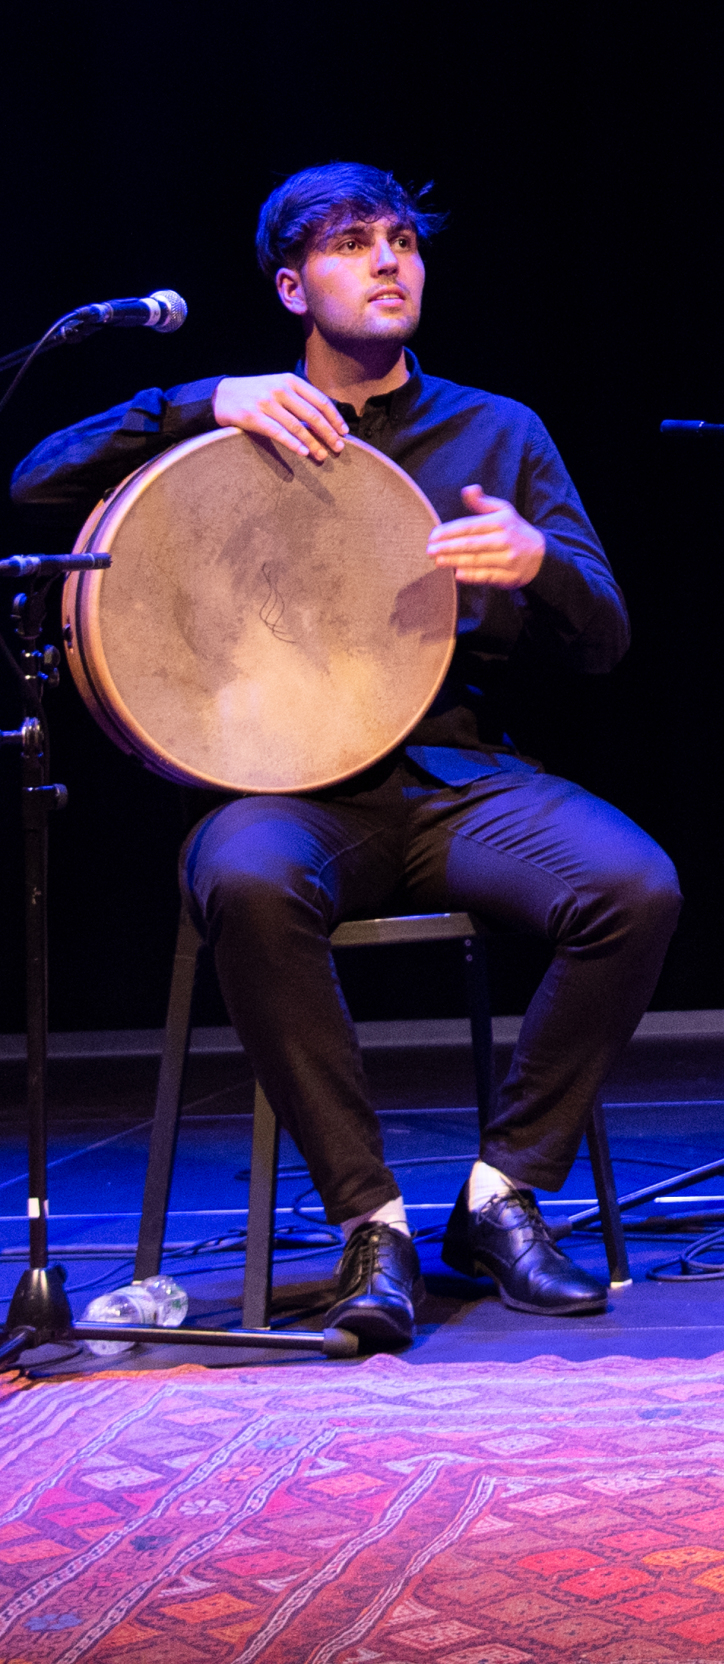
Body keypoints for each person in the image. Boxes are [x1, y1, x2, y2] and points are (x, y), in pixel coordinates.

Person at [11, 163, 681, 1348]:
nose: (388, 260)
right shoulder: (241, 420)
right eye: (351, 242)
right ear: (291, 286)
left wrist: (540, 562)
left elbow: (607, 637)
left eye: (403, 240)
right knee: (247, 878)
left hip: (457, 778)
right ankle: (373, 1224)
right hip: (292, 791)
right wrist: (202, 399)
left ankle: (502, 1195)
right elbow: (32, 480)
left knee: (634, 886)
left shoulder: (498, 430)